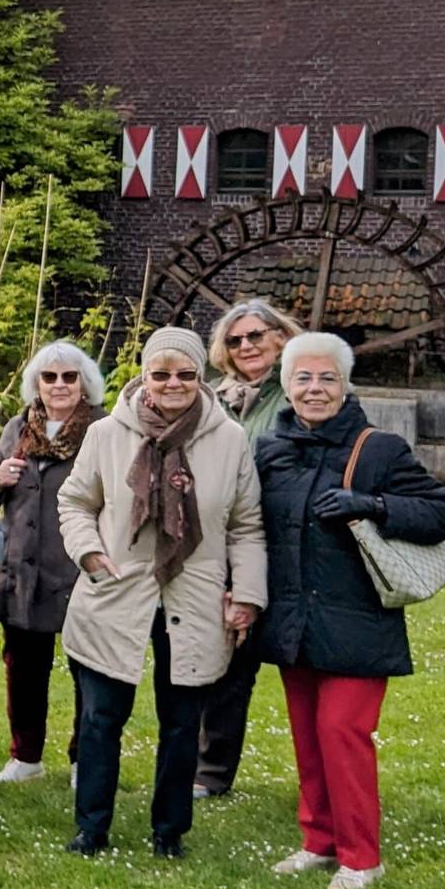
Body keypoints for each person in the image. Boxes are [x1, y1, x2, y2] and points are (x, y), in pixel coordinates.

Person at [256, 333, 445, 889]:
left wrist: (373, 504)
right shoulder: (272, 449)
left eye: (327, 378)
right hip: (293, 619)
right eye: (303, 378)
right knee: (307, 736)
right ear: (286, 385)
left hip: (357, 622)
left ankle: (361, 857)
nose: (315, 389)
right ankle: (318, 842)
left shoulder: (379, 449)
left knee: (342, 732)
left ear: (345, 386)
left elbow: (444, 512)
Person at [57, 326, 265, 859]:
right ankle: (92, 827)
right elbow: (76, 502)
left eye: (186, 374)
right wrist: (90, 553)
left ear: (201, 377)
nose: (173, 384)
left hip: (193, 591)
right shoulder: (107, 433)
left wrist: (246, 592)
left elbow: (245, 524)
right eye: (161, 374)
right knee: (101, 716)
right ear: (144, 377)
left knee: (181, 722)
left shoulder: (229, 437)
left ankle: (169, 831)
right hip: (117, 586)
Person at [196, 298, 305, 799]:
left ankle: (318, 775)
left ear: (280, 336)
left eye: (256, 336)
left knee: (281, 662)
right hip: (219, 543)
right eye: (236, 340)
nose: (247, 347)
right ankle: (210, 772)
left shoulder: (299, 391)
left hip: (280, 543)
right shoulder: (214, 398)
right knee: (224, 659)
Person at [0, 340, 106, 785]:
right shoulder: (19, 427)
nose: (59, 385)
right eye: (49, 377)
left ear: (84, 384)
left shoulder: (103, 429)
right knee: (23, 667)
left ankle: (84, 758)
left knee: (87, 669)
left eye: (69, 377)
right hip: (23, 566)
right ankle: (26, 756)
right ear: (35, 384)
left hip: (78, 566)